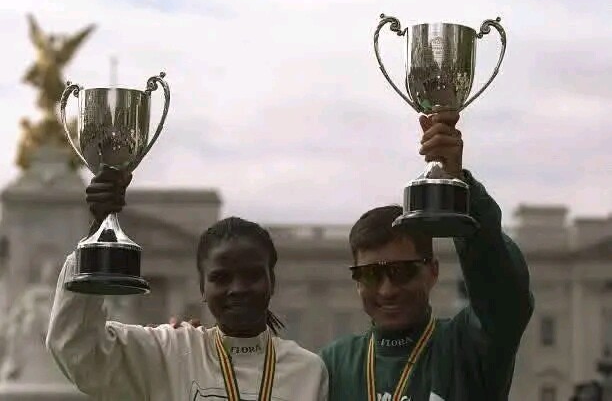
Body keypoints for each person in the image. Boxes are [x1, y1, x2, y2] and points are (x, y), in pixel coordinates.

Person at [45, 166, 328, 400]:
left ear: (272, 282)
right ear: (202, 288)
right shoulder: (168, 352)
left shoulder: (309, 370)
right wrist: (96, 238)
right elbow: (76, 347)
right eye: (221, 277)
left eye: (252, 275)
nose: (238, 289)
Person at [319, 111, 534, 400]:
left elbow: (506, 299)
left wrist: (458, 189)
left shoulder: (468, 347)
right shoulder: (333, 365)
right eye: (370, 274)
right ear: (356, 280)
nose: (387, 290)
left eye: (402, 271)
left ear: (433, 271)